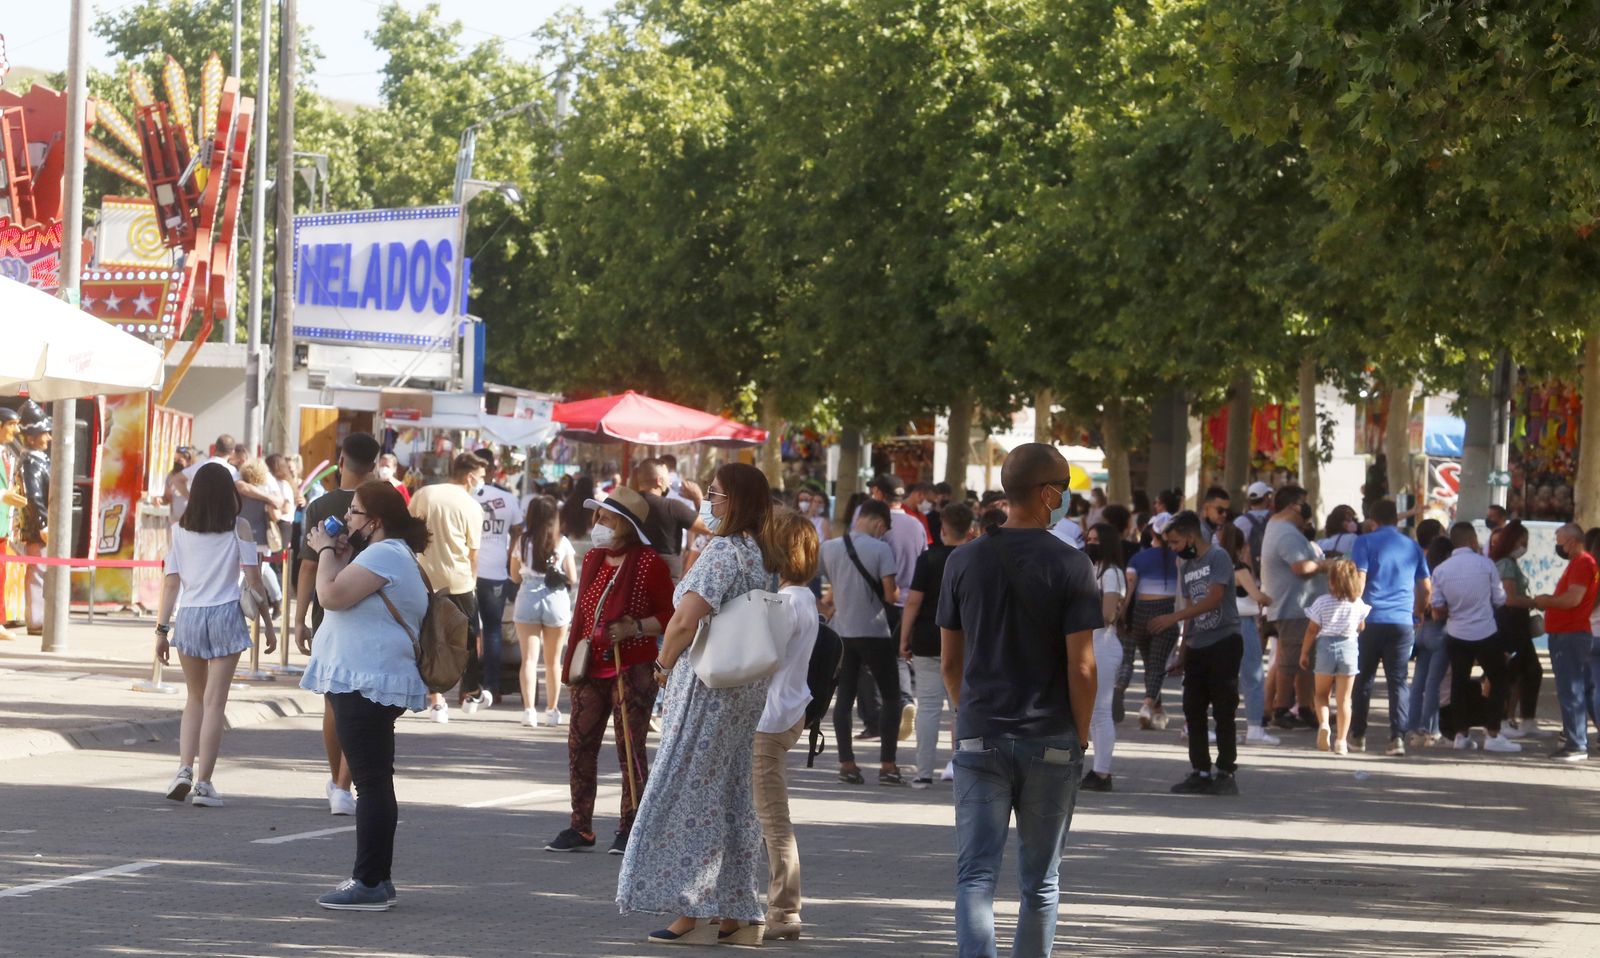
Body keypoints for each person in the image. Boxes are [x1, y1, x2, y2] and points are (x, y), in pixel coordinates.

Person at [937, 443, 1099, 958]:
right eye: (1064, 488)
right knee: (1041, 882)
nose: (1067, 498)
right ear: (1048, 492)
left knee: (975, 877)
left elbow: (948, 663)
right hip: (1050, 736)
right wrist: (1081, 730)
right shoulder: (1073, 566)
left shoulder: (962, 561)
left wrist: (969, 712)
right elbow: (1082, 666)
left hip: (980, 732)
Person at [617, 463, 774, 945]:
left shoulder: (723, 551)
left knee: (687, 791)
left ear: (736, 501)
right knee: (729, 794)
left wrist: (662, 664)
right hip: (744, 688)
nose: (710, 502)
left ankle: (693, 909)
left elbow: (685, 619)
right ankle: (737, 911)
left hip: (707, 687)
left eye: (716, 494)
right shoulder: (761, 553)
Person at [301, 480, 432, 911]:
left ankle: (369, 881)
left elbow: (331, 596)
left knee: (371, 784)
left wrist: (323, 551)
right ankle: (379, 877)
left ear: (374, 521)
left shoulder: (384, 553)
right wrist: (337, 556)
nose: (347, 518)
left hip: (366, 681)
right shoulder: (387, 555)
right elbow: (343, 588)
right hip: (366, 678)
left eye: (354, 511)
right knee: (376, 781)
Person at [546, 486, 675, 853]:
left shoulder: (650, 563)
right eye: (599, 516)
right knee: (579, 745)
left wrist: (635, 626)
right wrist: (572, 661)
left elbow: (670, 616)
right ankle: (580, 826)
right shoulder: (592, 558)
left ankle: (632, 825)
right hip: (591, 669)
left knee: (630, 750)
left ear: (625, 524)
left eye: (606, 517)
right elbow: (583, 616)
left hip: (631, 668)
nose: (598, 523)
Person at [154, 462, 279, 808]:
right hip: (226, 613)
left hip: (190, 616)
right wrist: (268, 625)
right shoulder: (239, 527)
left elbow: (171, 581)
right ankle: (205, 785)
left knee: (194, 698)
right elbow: (254, 582)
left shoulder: (180, 530)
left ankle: (183, 770)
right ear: (228, 494)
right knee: (215, 702)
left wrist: (162, 630)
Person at [295, 433, 380, 816]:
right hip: (371, 603)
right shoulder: (383, 502)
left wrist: (298, 618)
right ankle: (346, 784)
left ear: (340, 459)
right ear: (375, 463)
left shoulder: (321, 505)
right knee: (363, 697)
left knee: (334, 699)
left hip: (327, 608)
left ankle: (337, 783)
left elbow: (308, 565)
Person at [753, 509, 822, 941]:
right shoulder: (804, 597)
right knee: (766, 816)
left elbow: (762, 659)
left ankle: (784, 910)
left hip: (769, 718)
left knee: (773, 820)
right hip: (788, 713)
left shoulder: (786, 602)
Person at [1152, 511, 1245, 794]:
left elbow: (1215, 597)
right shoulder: (1186, 566)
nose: (1173, 548)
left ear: (1191, 536)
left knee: (1223, 708)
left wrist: (1173, 617)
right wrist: (1183, 648)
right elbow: (1193, 605)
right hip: (1197, 645)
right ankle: (1200, 770)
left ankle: (1226, 771)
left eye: (1176, 542)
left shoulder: (1218, 557)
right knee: (1193, 708)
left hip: (1224, 641)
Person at [821, 498, 903, 784]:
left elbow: (823, 589)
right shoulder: (881, 548)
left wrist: (828, 607)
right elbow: (891, 595)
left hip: (842, 632)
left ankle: (847, 763)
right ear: (879, 523)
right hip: (874, 632)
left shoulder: (828, 547)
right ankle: (888, 765)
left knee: (843, 699)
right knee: (892, 696)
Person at [1347, 498, 1431, 756]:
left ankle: (1358, 735)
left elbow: (1359, 581)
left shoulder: (1364, 542)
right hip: (1402, 622)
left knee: (1363, 680)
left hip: (1369, 621)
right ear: (1397, 519)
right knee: (1398, 681)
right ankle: (1397, 739)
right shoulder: (1412, 546)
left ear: (1372, 521)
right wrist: (1418, 611)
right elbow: (1426, 587)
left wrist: (1354, 608)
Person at [899, 501, 973, 788]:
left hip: (928, 637)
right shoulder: (973, 558)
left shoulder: (928, 559)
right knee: (961, 707)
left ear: (943, 529)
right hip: (965, 639)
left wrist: (904, 637)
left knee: (928, 707)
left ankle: (923, 771)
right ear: (969, 530)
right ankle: (962, 766)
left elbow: (913, 601)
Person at [410, 453, 486, 723]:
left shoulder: (424, 494)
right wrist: (474, 584)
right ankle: (469, 691)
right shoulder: (472, 506)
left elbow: (409, 532)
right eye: (481, 476)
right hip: (459, 580)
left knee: (430, 638)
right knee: (467, 638)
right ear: (470, 477)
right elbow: (473, 553)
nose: (482, 481)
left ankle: (437, 701)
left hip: (425, 578)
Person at [1430, 522, 1519, 753]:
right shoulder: (1486, 564)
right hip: (1485, 632)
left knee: (1459, 681)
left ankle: (1461, 735)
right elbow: (1500, 600)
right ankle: (1493, 733)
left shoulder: (1441, 570)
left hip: (1456, 633)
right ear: (1472, 540)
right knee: (1499, 678)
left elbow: (1437, 607)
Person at [1260, 485, 1324, 730]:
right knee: (1291, 661)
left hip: (1300, 607)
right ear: (1292, 506)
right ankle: (1282, 708)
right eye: (1303, 504)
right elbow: (1301, 567)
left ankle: (1305, 707)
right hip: (1293, 606)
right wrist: (1327, 565)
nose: (1306, 510)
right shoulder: (1286, 533)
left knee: (1304, 661)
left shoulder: (1281, 528)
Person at [510, 495, 577, 727]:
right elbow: (573, 577)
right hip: (555, 599)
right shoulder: (562, 541)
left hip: (528, 597)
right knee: (553, 661)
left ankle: (529, 711)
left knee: (528, 660)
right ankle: (552, 710)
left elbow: (514, 575)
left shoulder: (522, 541)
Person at [870, 473, 927, 740]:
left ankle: (896, 704)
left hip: (886, 599)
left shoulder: (881, 524)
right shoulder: (916, 524)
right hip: (913, 600)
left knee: (884, 659)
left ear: (880, 494)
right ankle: (905, 701)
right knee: (902, 656)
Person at [1535, 523, 1599, 762]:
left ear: (1571, 541)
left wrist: (1546, 601)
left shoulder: (1583, 563)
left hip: (1571, 635)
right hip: (1569, 634)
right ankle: (1576, 740)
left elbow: (1573, 599)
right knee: (1580, 689)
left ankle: (1576, 744)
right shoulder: (1580, 563)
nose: (1557, 545)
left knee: (1571, 690)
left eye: (1559, 540)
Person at [1299, 559, 1369, 755]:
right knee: (1344, 699)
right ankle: (1341, 741)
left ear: (1331, 582)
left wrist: (1304, 653)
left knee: (1321, 694)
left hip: (1325, 648)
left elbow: (1312, 630)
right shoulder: (1358, 603)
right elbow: (1361, 627)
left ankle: (1324, 725)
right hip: (1348, 649)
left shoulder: (1321, 602)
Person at [1219, 524, 1277, 745]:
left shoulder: (1216, 566)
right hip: (1243, 623)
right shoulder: (1240, 569)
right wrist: (1270, 599)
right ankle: (1254, 727)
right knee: (1253, 676)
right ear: (1242, 545)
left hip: (1221, 624)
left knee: (1225, 677)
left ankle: (1223, 725)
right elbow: (1257, 596)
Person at [1079, 521, 1126, 791]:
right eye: (1089, 538)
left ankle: (1102, 772)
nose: (1091, 543)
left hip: (1104, 646)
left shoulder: (1112, 574)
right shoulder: (1096, 569)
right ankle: (1098, 769)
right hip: (1093, 644)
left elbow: (1108, 615)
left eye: (1096, 539)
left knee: (1100, 712)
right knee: (1093, 712)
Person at [474, 449, 522, 706]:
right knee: (492, 629)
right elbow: (518, 530)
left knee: (469, 630)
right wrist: (509, 555)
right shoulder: (507, 498)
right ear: (492, 469)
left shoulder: (466, 496)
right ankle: (491, 686)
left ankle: (469, 687)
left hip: (468, 573)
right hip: (495, 571)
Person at [1490, 520, 1544, 737]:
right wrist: (1536, 602)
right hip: (1510, 623)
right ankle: (1501, 721)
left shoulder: (1510, 563)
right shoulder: (1505, 565)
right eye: (1523, 541)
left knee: (1531, 670)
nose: (1525, 545)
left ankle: (1526, 720)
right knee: (1511, 672)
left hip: (1517, 623)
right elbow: (1510, 599)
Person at [1124, 530, 1179, 728]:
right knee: (1158, 665)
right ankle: (1147, 705)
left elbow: (1129, 588)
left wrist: (1123, 615)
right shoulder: (1179, 558)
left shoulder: (1138, 559)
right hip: (1167, 611)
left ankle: (1158, 710)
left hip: (1141, 613)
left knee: (1151, 664)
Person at [1405, 536, 1456, 748]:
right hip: (1441, 632)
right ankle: (1429, 729)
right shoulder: (1446, 574)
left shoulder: (1423, 573)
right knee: (1434, 683)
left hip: (1422, 632)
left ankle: (1411, 727)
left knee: (1418, 682)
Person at [633, 458, 707, 578]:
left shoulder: (626, 505)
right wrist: (698, 498)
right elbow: (708, 527)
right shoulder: (672, 507)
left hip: (633, 575)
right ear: (659, 481)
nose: (670, 482)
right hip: (665, 580)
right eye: (667, 477)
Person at [17, 413, 50, 635]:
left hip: (41, 526)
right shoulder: (31, 463)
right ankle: (36, 620)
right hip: (38, 529)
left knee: (42, 571)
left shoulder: (37, 460)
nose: (48, 437)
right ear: (30, 438)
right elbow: (33, 496)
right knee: (38, 571)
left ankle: (40, 617)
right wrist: (43, 523)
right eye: (43, 433)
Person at [1234, 481, 1274, 567]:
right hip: (1271, 569)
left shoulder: (1239, 521)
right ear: (1266, 497)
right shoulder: (1275, 518)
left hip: (1248, 570)